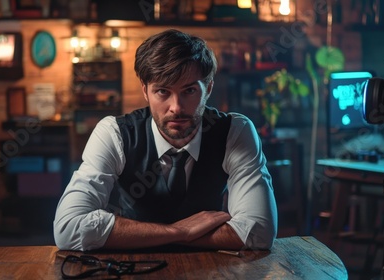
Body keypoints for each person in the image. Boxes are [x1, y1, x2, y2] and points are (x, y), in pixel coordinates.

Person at [53, 29, 277, 251]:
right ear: (145, 91)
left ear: (208, 88)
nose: (176, 108)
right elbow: (68, 228)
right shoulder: (115, 133)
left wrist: (140, 235)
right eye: (162, 91)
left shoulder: (234, 131)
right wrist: (181, 232)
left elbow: (259, 232)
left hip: (211, 269)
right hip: (133, 269)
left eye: (189, 90)